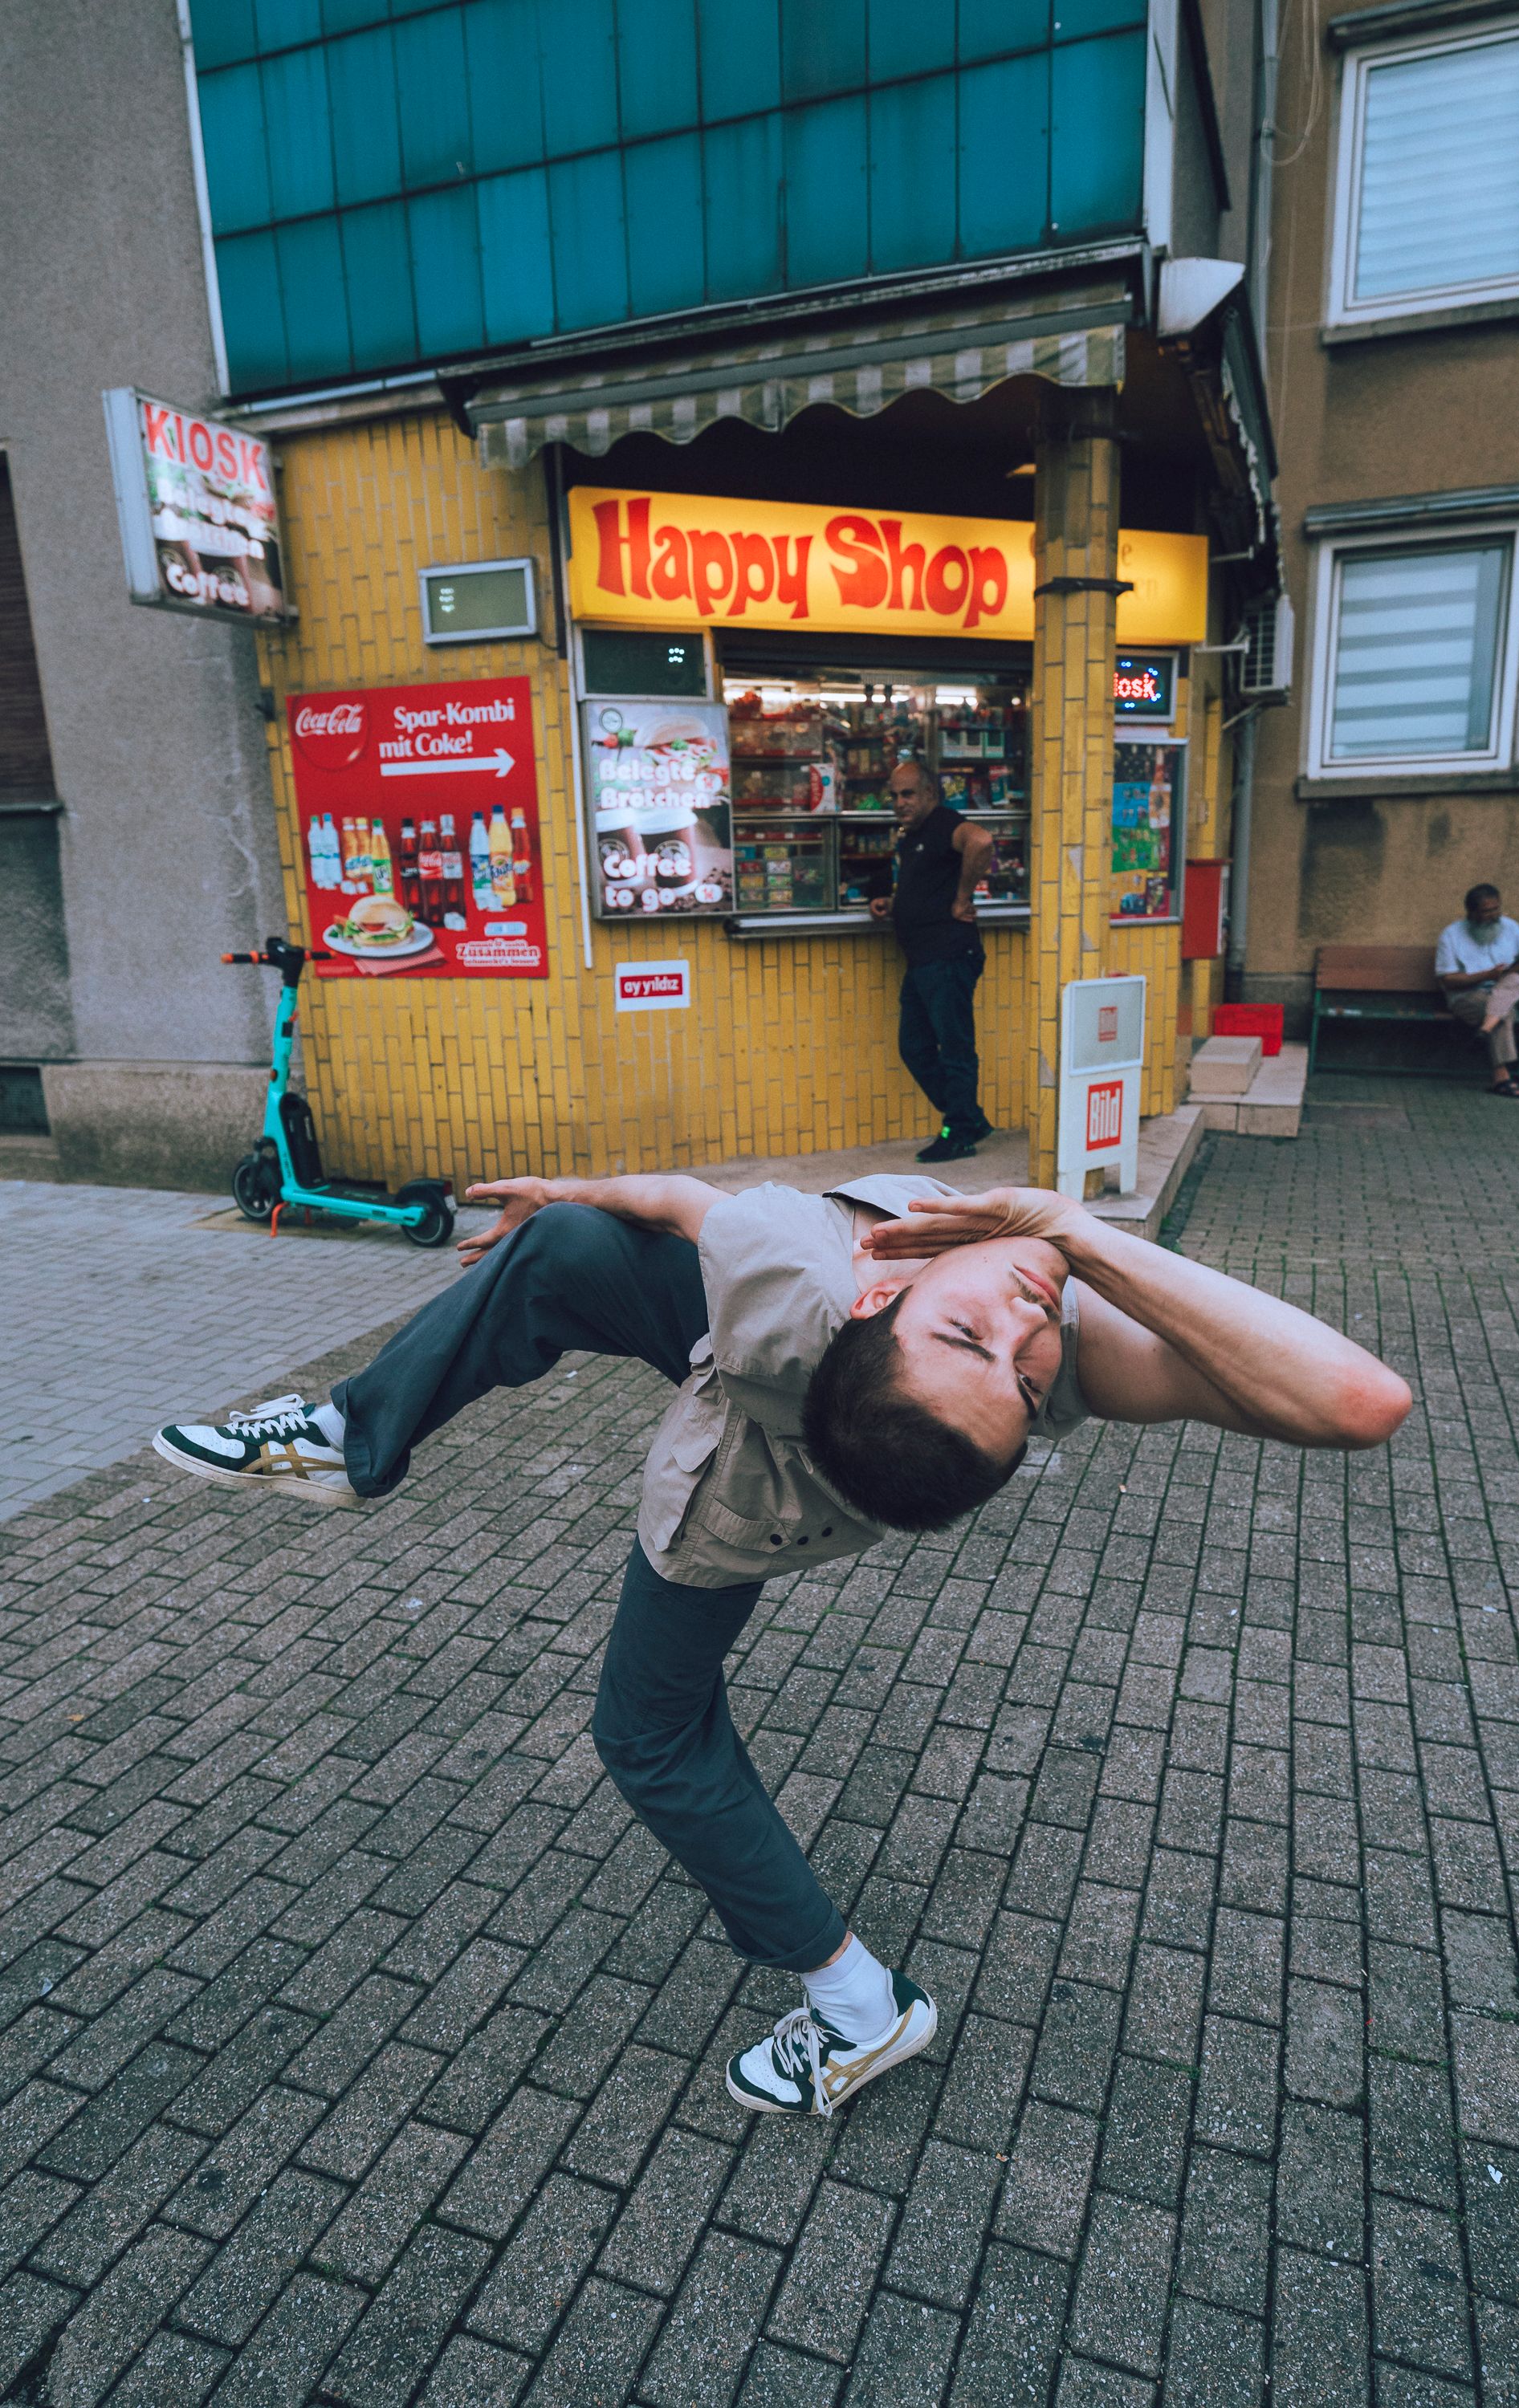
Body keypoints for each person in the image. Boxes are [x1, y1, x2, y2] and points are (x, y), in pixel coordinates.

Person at [153, 1170, 1411, 2120]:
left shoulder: (825, 1279)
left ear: (880, 1296)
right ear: (888, 1294)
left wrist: (1083, 1241)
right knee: (567, 1244)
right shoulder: (959, 1323)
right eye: (993, 1348)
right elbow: (657, 1217)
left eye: (1024, 1377)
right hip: (803, 1396)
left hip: (751, 1484)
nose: (1030, 1332)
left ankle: (859, 2010)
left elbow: (1362, 1403)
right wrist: (562, 1207)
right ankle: (343, 1436)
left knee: (645, 1734)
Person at [869, 751, 997, 1162]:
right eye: (894, 796)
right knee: (914, 1046)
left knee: (955, 1047)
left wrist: (962, 899)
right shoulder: (913, 835)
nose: (900, 802)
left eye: (908, 794)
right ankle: (968, 1117)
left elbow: (981, 841)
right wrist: (893, 903)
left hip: (949, 956)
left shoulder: (943, 823)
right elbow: (924, 885)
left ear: (928, 794)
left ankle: (959, 1131)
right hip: (924, 960)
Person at [1435, 882, 1519, 1097]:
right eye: (1487, 911)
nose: (1494, 915)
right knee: (1504, 1011)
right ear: (1471, 912)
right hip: (1467, 997)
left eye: (1496, 908)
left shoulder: (1511, 928)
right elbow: (1448, 980)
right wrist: (1487, 976)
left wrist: (1517, 969)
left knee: (1515, 981)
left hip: (1504, 989)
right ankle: (1502, 1077)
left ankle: (1486, 1032)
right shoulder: (1451, 935)